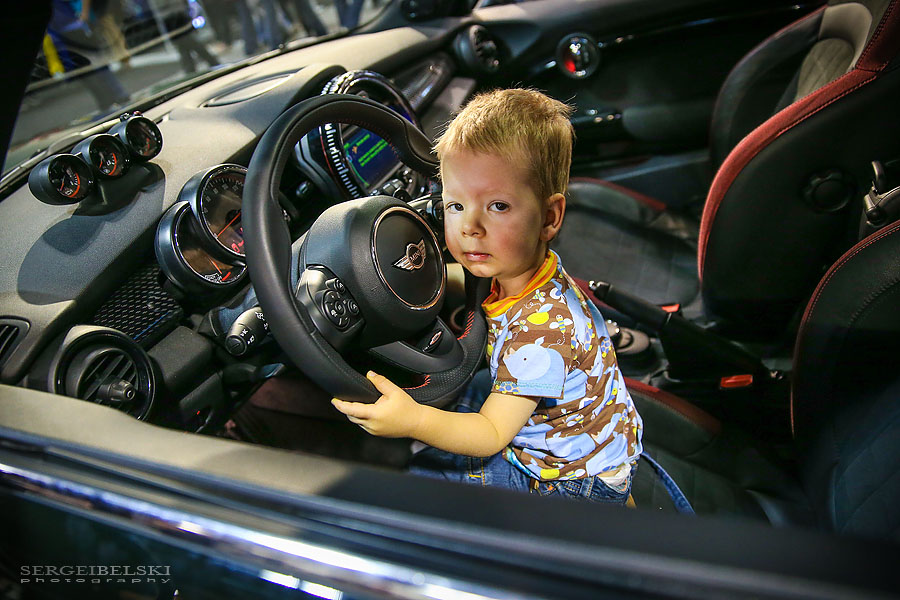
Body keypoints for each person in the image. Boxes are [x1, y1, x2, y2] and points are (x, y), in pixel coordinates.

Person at [331, 89, 643, 504]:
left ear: (549, 217)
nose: (470, 227)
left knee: (419, 480)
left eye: (497, 206)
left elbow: (492, 435)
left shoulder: (543, 332)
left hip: (571, 483)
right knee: (474, 386)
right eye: (455, 205)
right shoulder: (525, 268)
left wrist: (413, 420)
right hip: (594, 439)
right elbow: (479, 295)